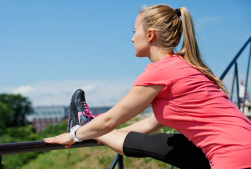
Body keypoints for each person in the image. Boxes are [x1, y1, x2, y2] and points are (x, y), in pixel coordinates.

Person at [44, 4, 251, 169]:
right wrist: (94, 133)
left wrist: (74, 134)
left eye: (135, 31)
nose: (132, 37)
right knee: (168, 143)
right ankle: (86, 122)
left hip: (233, 154)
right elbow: (148, 126)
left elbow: (109, 120)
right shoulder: (183, 67)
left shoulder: (160, 72)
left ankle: (84, 123)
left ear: (150, 35)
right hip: (243, 144)